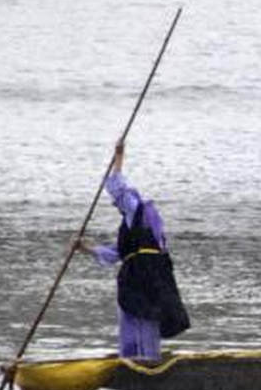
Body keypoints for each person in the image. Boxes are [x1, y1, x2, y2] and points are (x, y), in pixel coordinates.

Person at [77, 140, 190, 361]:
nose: (117, 206)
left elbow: (118, 189)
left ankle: (147, 359)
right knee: (131, 313)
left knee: (145, 315)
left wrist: (119, 159)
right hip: (139, 273)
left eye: (119, 204)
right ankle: (132, 357)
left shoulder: (140, 211)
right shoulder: (131, 225)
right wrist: (86, 248)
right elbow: (117, 253)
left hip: (146, 274)